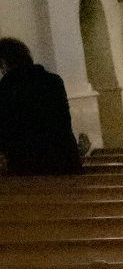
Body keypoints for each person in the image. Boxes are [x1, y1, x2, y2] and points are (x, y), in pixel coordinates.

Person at [0, 38, 82, 176]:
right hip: (66, 162)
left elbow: (5, 132)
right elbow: (63, 121)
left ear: (3, 63)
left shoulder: (6, 88)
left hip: (28, 166)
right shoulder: (54, 81)